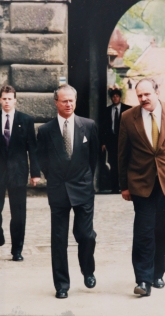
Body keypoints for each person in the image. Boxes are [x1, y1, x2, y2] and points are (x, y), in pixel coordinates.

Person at [118, 78, 165, 297]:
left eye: (147, 94)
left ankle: (157, 272)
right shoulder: (128, 118)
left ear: (157, 92)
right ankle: (143, 279)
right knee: (143, 232)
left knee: (162, 231)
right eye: (139, 96)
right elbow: (122, 154)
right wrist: (124, 185)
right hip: (141, 184)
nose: (143, 99)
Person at [37, 84, 98, 299]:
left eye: (71, 100)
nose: (69, 104)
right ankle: (61, 284)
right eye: (64, 101)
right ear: (56, 103)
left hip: (82, 188)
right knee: (59, 239)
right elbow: (42, 160)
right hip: (59, 189)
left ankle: (88, 269)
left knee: (86, 235)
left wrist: (87, 180)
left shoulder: (88, 126)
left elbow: (93, 159)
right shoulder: (45, 130)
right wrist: (55, 177)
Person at [0, 85, 40, 261]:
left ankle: (17, 250)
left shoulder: (26, 120)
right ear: (0, 100)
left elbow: (33, 148)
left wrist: (35, 173)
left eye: (10, 98)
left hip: (18, 172)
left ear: (15, 100)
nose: (7, 102)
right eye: (4, 98)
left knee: (18, 213)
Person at [101, 88, 131, 193]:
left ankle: (125, 187)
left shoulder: (128, 109)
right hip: (112, 141)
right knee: (113, 164)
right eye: (113, 97)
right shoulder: (107, 110)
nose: (115, 98)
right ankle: (114, 188)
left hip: (125, 141)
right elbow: (103, 128)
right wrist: (103, 142)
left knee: (125, 163)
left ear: (120, 97)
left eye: (117, 96)